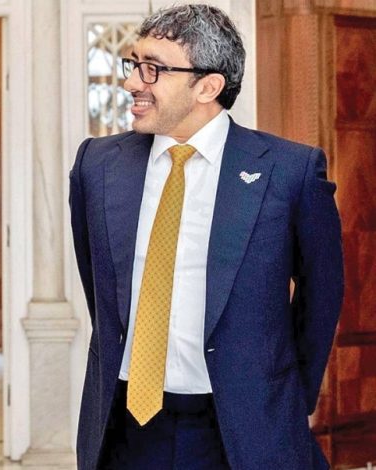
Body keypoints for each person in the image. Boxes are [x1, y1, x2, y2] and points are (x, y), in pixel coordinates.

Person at [70, 5, 343, 470]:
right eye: (134, 64)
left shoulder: (290, 171)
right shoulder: (96, 165)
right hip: (122, 430)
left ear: (208, 87)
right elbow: (99, 287)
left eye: (153, 68)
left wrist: (286, 397)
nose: (133, 81)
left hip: (242, 429)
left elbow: (322, 296)